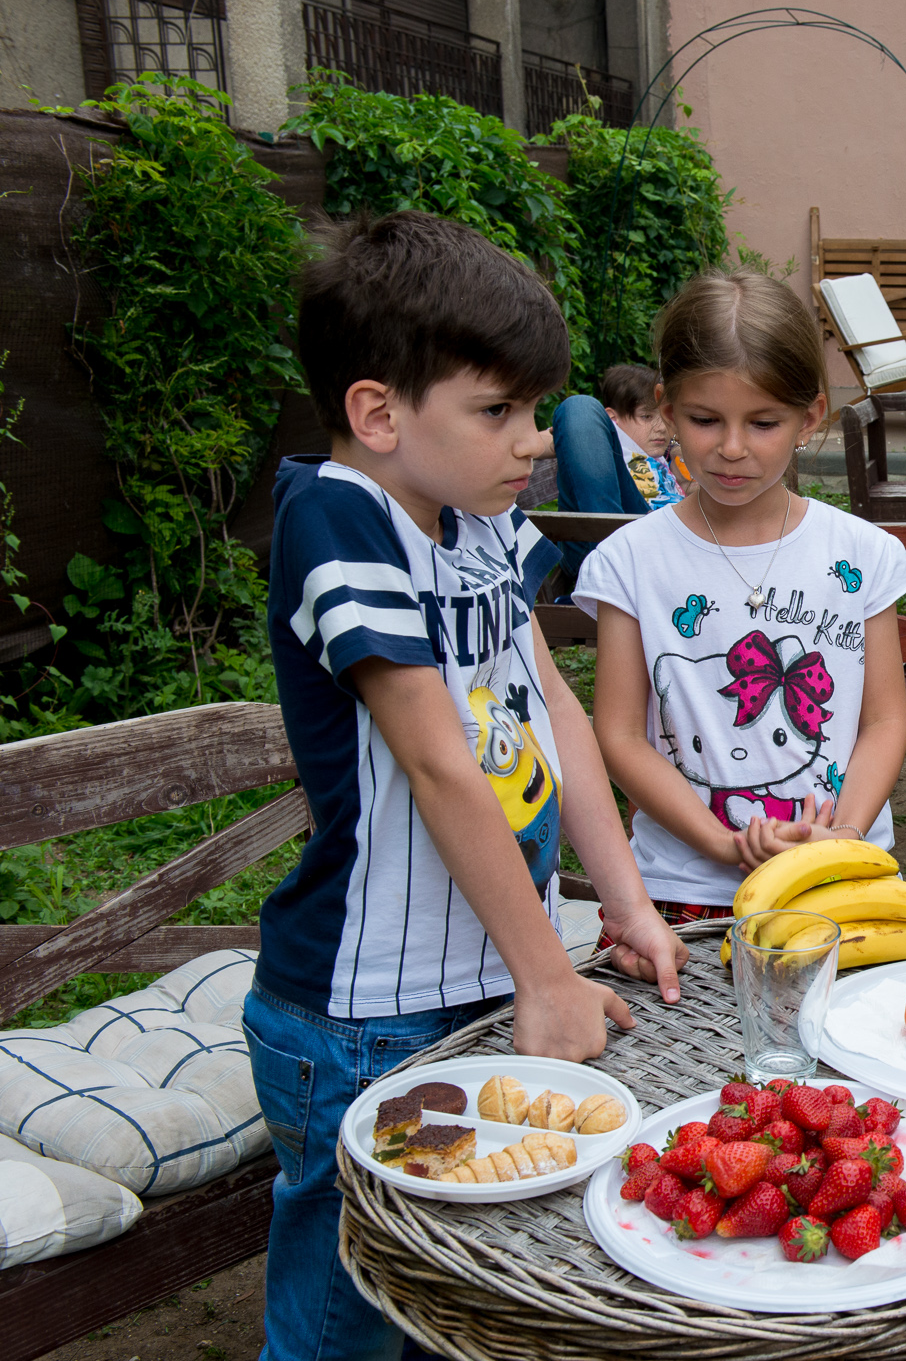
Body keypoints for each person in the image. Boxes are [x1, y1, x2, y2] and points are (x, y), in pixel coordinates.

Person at [252, 211, 689, 1361]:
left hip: (485, 974)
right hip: (364, 1012)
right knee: (351, 1314)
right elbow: (440, 757)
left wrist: (626, 903)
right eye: (497, 411)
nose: (533, 440)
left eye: (535, 410)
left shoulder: (482, 522)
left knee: (466, 1298)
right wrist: (547, 974)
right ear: (378, 413)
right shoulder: (336, 518)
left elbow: (552, 708)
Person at [575, 269, 906, 922]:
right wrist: (723, 842)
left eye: (762, 422)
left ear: (809, 416)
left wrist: (841, 836)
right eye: (706, 420)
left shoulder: (863, 555)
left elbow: (884, 719)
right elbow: (619, 734)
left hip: (842, 880)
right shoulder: (630, 561)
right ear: (669, 410)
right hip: (684, 889)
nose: (731, 449)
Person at [548, 363, 686, 578]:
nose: (661, 427)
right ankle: (613, 555)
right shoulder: (614, 447)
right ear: (613, 420)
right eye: (646, 417)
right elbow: (576, 428)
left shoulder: (661, 454)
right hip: (625, 540)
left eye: (665, 417)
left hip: (671, 544)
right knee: (579, 406)